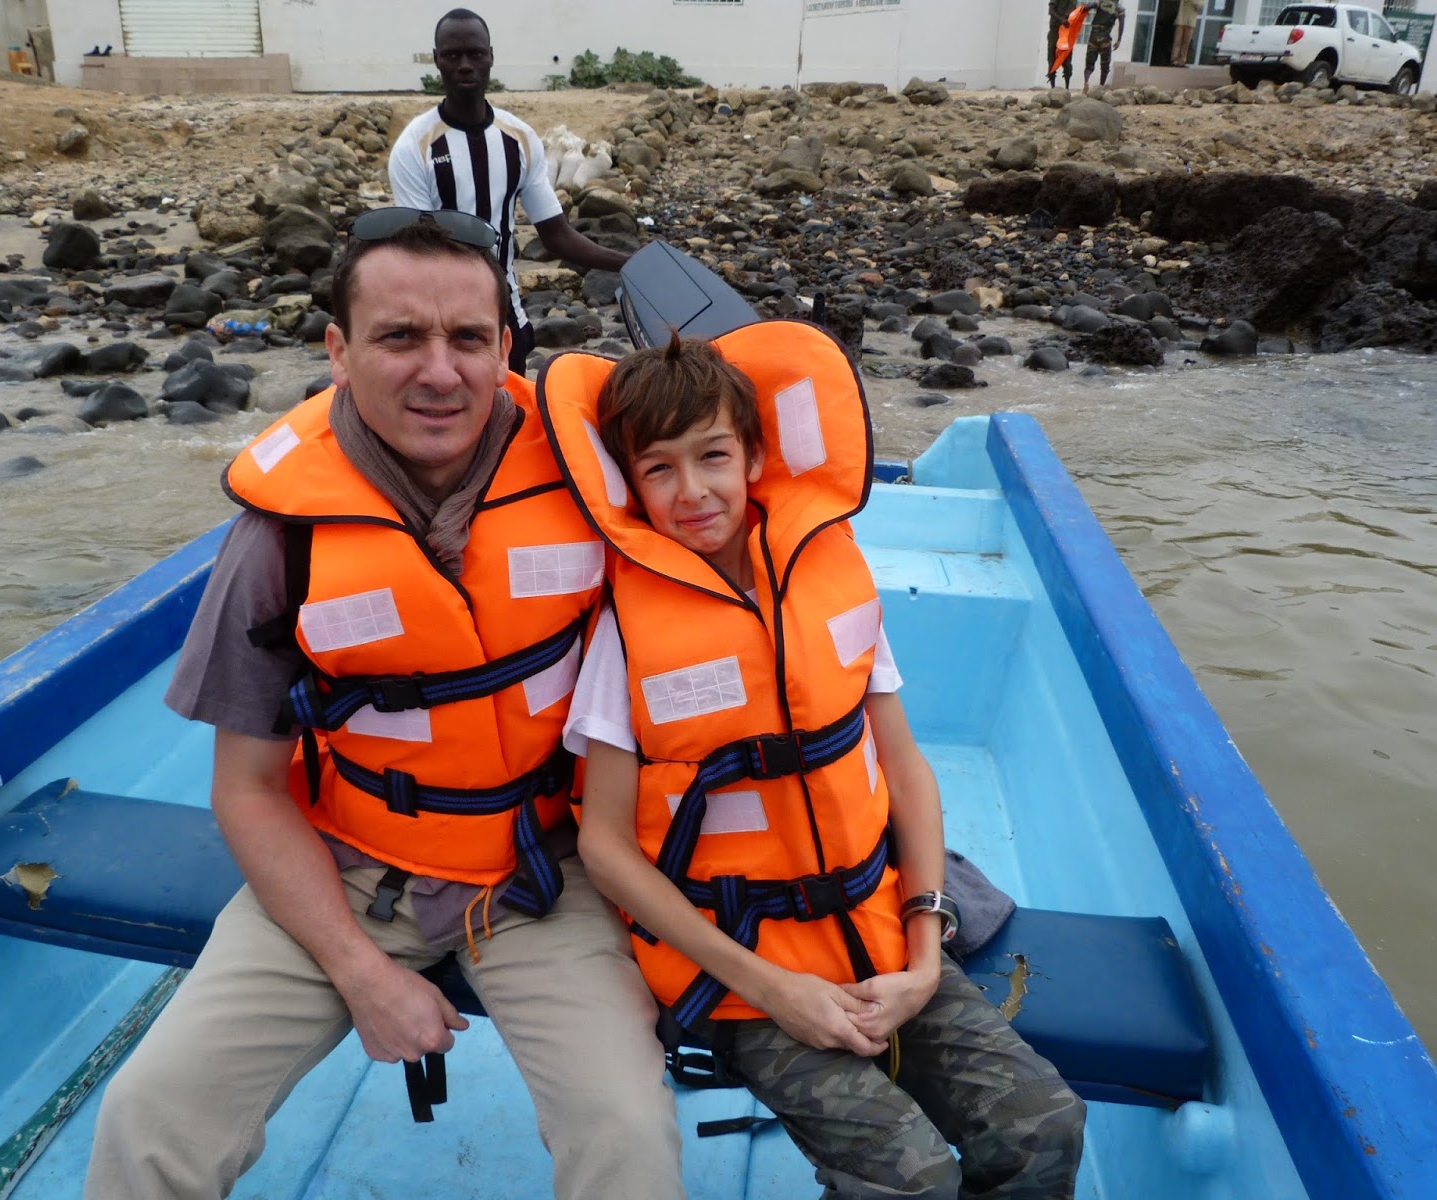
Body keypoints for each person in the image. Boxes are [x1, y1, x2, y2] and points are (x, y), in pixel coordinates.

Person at [83, 209, 683, 1200]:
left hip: (547, 869)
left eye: (468, 338)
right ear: (339, 350)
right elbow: (247, 789)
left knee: (626, 1132)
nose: (439, 373)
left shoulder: (591, 473)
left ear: (507, 346)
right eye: (400, 337)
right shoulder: (279, 535)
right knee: (150, 1118)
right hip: (349, 867)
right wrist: (362, 975)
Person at [538, 328, 1087, 1199]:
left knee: (1043, 1124)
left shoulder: (830, 576)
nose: (693, 491)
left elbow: (904, 769)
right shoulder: (624, 634)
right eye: (659, 470)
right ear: (630, 487)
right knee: (909, 1177)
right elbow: (604, 846)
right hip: (743, 973)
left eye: (713, 456)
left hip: (882, 932)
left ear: (755, 457)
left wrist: (923, 958)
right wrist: (775, 990)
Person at [389, 9, 632, 376]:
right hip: (445, 328)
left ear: (490, 57)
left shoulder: (519, 138)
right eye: (453, 55)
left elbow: (556, 234)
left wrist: (629, 264)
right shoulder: (414, 146)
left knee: (515, 411)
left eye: (475, 54)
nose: (465, 65)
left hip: (507, 321)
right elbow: (420, 251)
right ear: (437, 60)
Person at [1082, 0, 1125, 92]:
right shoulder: (1119, 8)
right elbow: (1121, 24)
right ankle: (1101, 87)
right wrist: (1119, 40)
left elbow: (1086, 7)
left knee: (1089, 64)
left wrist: (1085, 11)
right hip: (1105, 38)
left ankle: (1086, 81)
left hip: (1094, 36)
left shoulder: (1100, 2)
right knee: (1105, 66)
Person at [1046, 0, 1075, 88]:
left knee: (1067, 60)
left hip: (1067, 32)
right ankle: (1053, 87)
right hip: (1055, 30)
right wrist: (1061, 20)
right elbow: (1051, 10)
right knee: (1052, 58)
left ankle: (1067, 87)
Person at [1172, 0, 1202, 66]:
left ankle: (1182, 61)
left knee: (1186, 43)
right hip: (1180, 21)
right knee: (1177, 41)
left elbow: (1199, 6)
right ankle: (1174, 60)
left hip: (1190, 22)